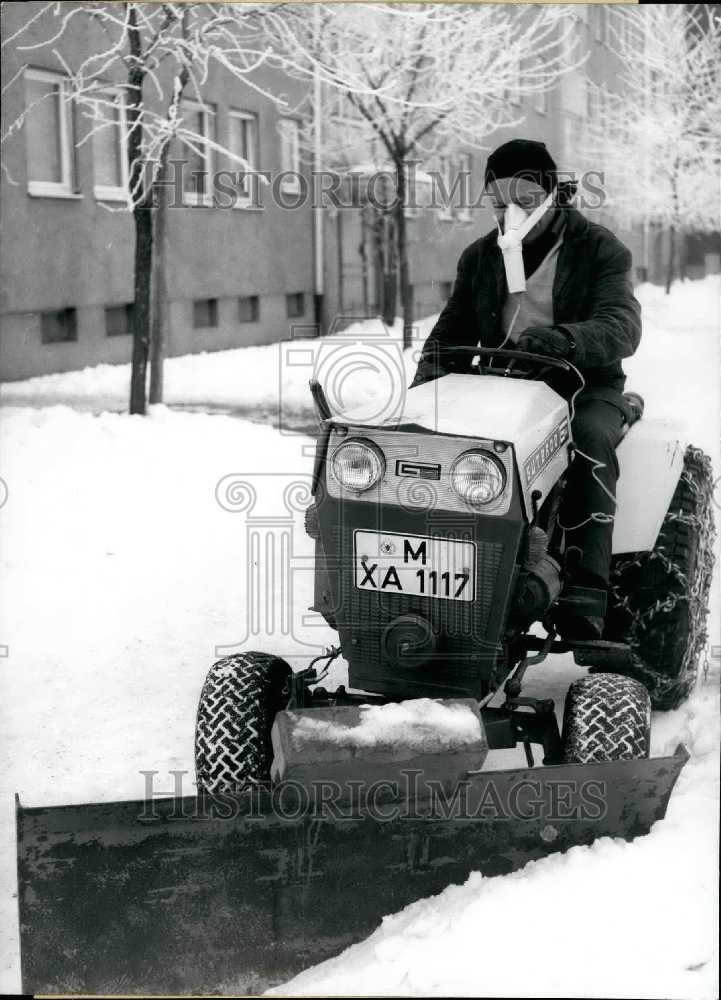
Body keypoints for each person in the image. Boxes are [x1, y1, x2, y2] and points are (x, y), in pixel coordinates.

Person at [411, 138, 642, 639]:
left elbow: (623, 325)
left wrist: (566, 339)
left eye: (525, 200)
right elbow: (451, 331)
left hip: (582, 386)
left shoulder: (599, 249)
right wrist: (421, 397)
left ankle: (585, 590)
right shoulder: (481, 257)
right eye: (498, 203)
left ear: (553, 194)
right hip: (502, 388)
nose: (509, 213)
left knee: (591, 440)